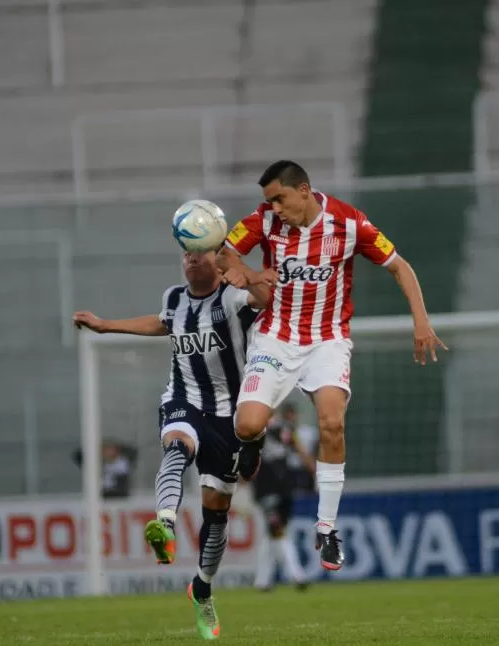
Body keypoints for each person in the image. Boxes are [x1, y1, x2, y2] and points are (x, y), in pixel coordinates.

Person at [217, 160, 446, 571]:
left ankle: (326, 527)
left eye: (280, 199)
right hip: (276, 336)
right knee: (248, 424)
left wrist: (421, 320)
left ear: (303, 190)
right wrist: (246, 272)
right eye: (270, 201)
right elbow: (224, 254)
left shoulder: (350, 224)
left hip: (328, 339)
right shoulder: (263, 219)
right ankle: (250, 445)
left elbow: (400, 267)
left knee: (332, 423)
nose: (274, 208)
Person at [72, 248, 272, 641]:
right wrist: (106, 325)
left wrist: (246, 273)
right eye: (186, 255)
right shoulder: (174, 298)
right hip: (183, 399)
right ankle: (164, 523)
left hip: (229, 415)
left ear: (217, 261)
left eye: (200, 255)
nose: (191, 261)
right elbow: (161, 323)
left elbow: (266, 301)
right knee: (176, 447)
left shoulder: (232, 297)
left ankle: (202, 588)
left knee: (217, 514)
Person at [252, 413, 314, 592]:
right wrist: (313, 470)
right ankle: (297, 575)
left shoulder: (254, 426)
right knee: (277, 531)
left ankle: (262, 581)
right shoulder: (262, 427)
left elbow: (299, 450)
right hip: (271, 488)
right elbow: (301, 450)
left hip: (279, 488)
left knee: (272, 534)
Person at [71, 439, 139, 499]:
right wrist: (93, 447)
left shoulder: (123, 462)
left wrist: (120, 447)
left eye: (110, 449)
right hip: (101, 496)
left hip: (120, 496)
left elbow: (134, 451)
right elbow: (78, 456)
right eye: (104, 450)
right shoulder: (96, 464)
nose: (107, 452)